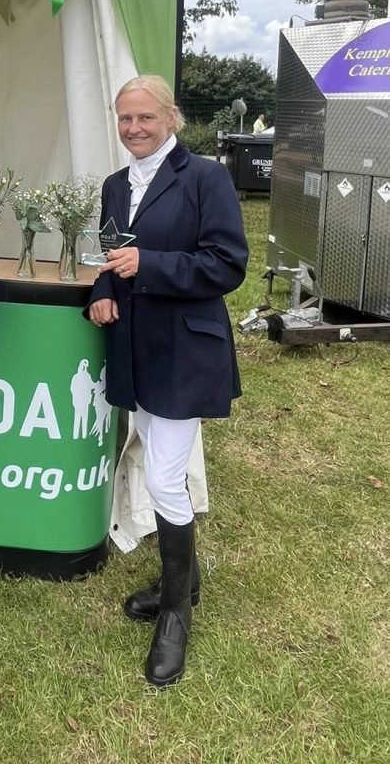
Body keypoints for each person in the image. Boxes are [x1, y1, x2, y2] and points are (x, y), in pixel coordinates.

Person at [87, 75, 248, 687]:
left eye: (144, 119)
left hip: (184, 350)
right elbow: (109, 258)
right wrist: (103, 291)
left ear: (171, 118)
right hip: (136, 348)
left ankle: (176, 612)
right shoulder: (112, 185)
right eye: (124, 119)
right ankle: (186, 580)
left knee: (161, 474)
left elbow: (228, 263)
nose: (133, 129)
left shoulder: (206, 177)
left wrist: (147, 264)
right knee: (156, 457)